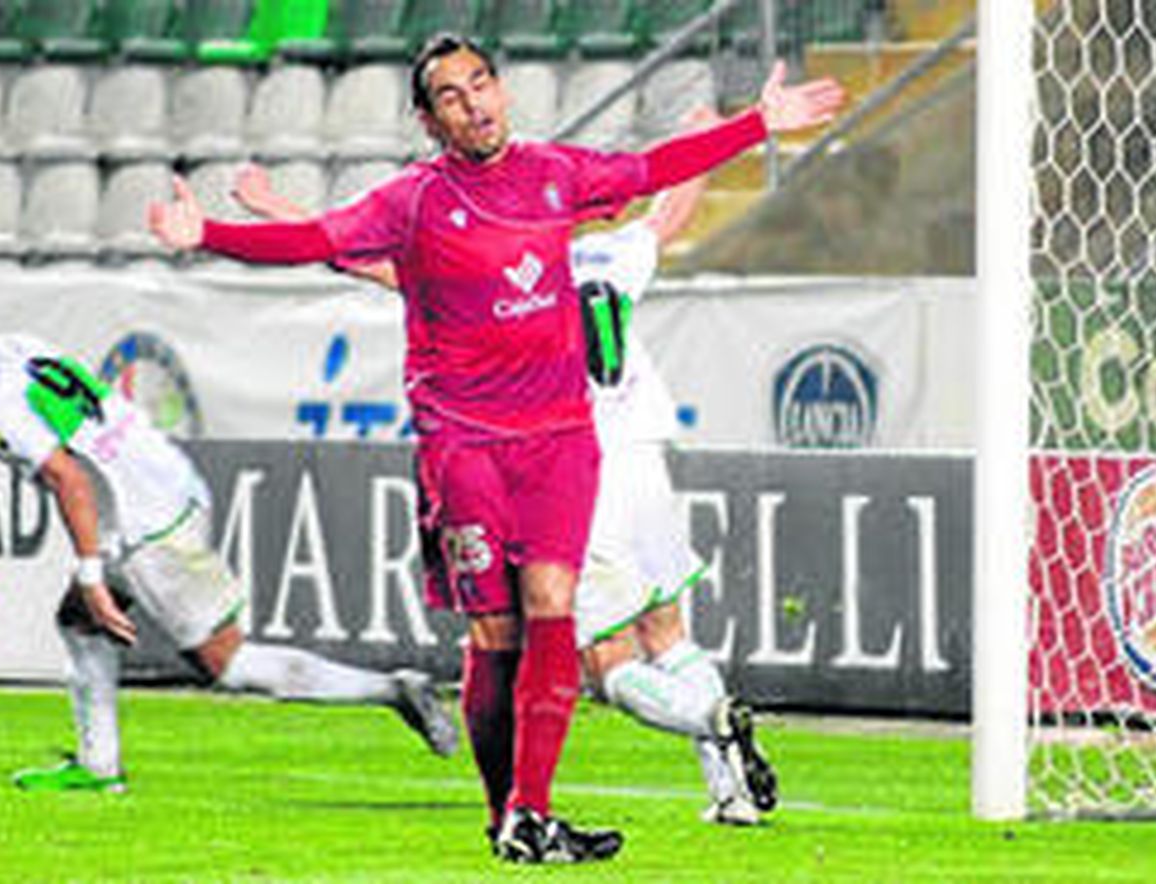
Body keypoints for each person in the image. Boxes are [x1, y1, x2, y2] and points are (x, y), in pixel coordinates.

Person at [149, 33, 842, 864]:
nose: (474, 102)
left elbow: (652, 172)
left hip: (561, 442)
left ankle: (531, 816)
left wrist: (755, 125)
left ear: (501, 89)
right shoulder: (413, 201)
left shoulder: (555, 174)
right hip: (466, 445)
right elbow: (322, 239)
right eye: (451, 94)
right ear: (428, 119)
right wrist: (207, 232)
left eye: (481, 82)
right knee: (496, 637)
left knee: (554, 608)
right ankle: (503, 814)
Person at [232, 106, 778, 827]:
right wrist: (705, 137)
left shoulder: (486, 266)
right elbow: (669, 209)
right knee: (668, 631)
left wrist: (275, 208)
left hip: (571, 462)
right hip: (643, 451)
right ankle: (731, 790)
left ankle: (713, 718)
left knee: (607, 662)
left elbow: (368, 259)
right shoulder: (614, 255)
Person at [0, 283, 459, 795]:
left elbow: (70, 480)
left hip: (147, 524)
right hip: (164, 484)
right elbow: (60, 426)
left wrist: (92, 575)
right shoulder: (16, 350)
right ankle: (98, 765)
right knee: (79, 623)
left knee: (228, 663)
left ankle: (394, 690)